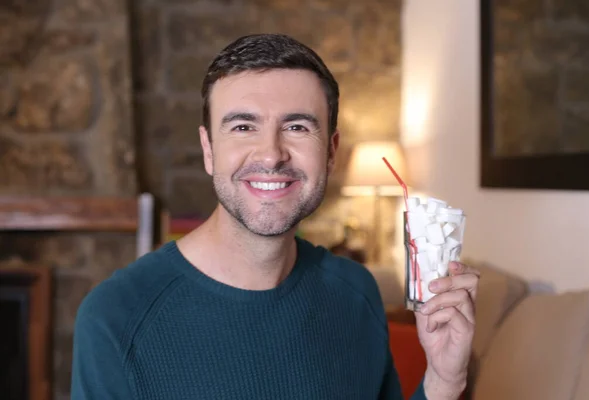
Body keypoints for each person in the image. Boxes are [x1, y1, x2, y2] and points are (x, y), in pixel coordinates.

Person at [71, 33, 479, 400]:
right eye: (243, 127)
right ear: (209, 149)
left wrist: (445, 380)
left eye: (298, 127)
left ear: (331, 152)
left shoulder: (357, 293)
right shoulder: (116, 318)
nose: (271, 154)